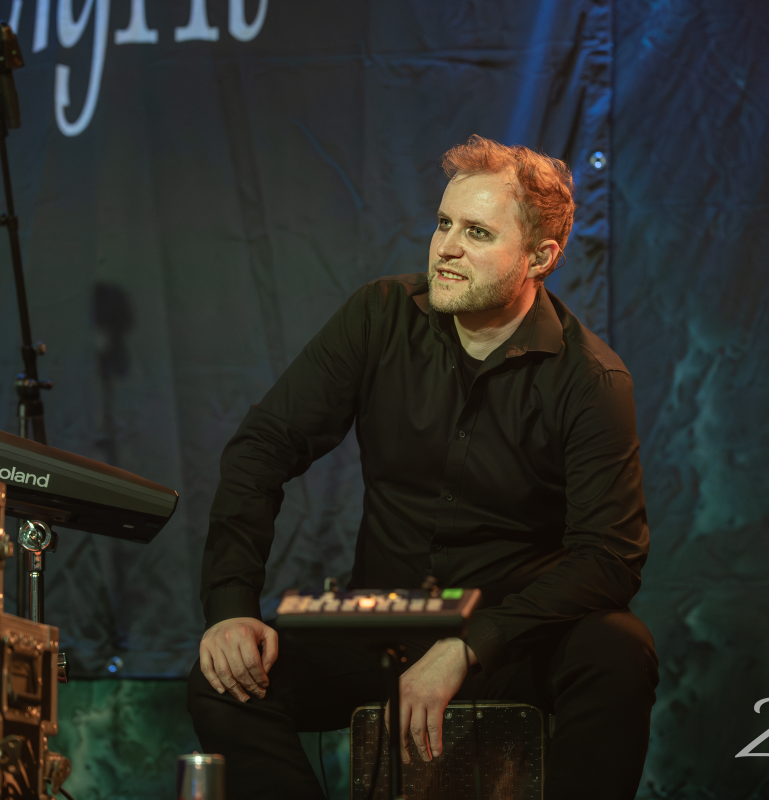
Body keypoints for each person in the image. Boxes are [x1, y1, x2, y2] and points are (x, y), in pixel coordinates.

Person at [187, 134, 658, 799]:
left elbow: (609, 558)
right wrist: (231, 606)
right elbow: (263, 447)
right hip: (381, 621)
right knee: (224, 679)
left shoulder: (592, 380)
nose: (446, 248)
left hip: (511, 640)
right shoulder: (380, 315)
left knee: (618, 651)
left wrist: (472, 645)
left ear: (540, 257)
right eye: (443, 224)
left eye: (476, 232)